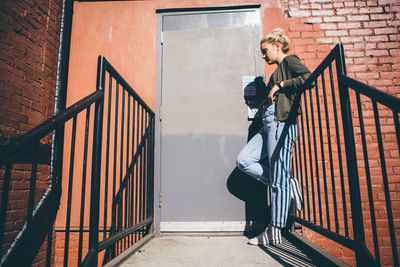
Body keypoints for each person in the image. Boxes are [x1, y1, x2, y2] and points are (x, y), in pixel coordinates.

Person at [236, 28, 310, 245]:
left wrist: (281, 85)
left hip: (281, 123)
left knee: (278, 179)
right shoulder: (277, 71)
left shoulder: (290, 62)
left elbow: (308, 78)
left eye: (265, 50)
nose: (263, 55)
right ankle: (290, 184)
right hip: (268, 123)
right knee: (244, 160)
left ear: (278, 47)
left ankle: (274, 231)